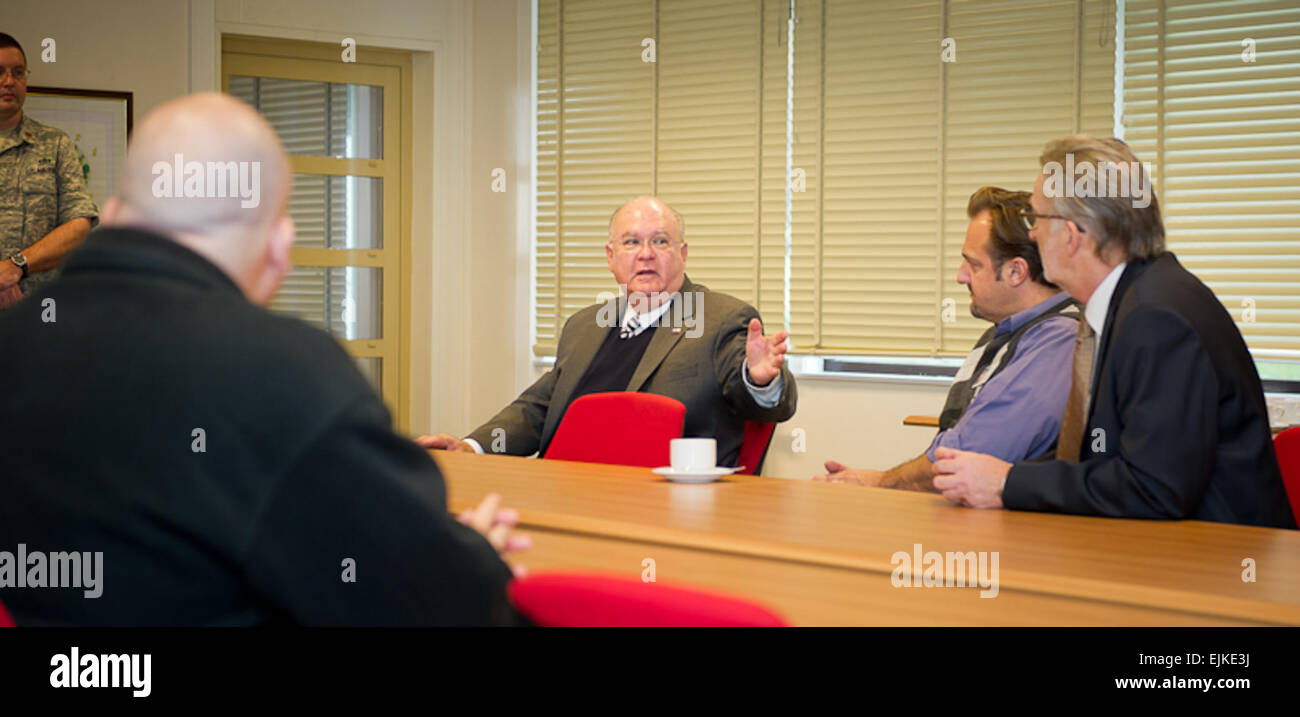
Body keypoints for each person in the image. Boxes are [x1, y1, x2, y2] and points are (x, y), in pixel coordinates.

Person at [0, 92, 528, 625]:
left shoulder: (17, 342)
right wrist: (474, 557)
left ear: (112, 214)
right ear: (280, 246)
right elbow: (427, 600)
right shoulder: (283, 370)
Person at [933, 135, 1296, 529]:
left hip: (1223, 567)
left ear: (1072, 234)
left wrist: (1008, 482)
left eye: (1036, 219)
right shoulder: (1131, 302)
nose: (1033, 234)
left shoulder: (1157, 318)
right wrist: (1004, 477)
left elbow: (1153, 488)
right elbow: (1101, 457)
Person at [419, 196, 797, 467]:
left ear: (682, 254)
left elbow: (766, 401)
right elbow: (540, 408)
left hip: (660, 504)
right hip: (565, 491)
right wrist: (472, 447)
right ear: (611, 257)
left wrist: (760, 380)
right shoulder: (584, 325)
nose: (645, 253)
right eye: (631, 242)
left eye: (660, 241)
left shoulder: (721, 318)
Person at [816, 187, 1079, 490]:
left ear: (1016, 272)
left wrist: (880, 483)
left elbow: (963, 455)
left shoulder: (1057, 341)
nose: (960, 276)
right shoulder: (1004, 335)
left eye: (973, 264)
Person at [0, 33, 98, 309]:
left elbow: (80, 225)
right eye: (0, 72)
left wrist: (17, 266)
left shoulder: (54, 145)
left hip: (40, 313)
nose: (9, 81)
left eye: (17, 73)